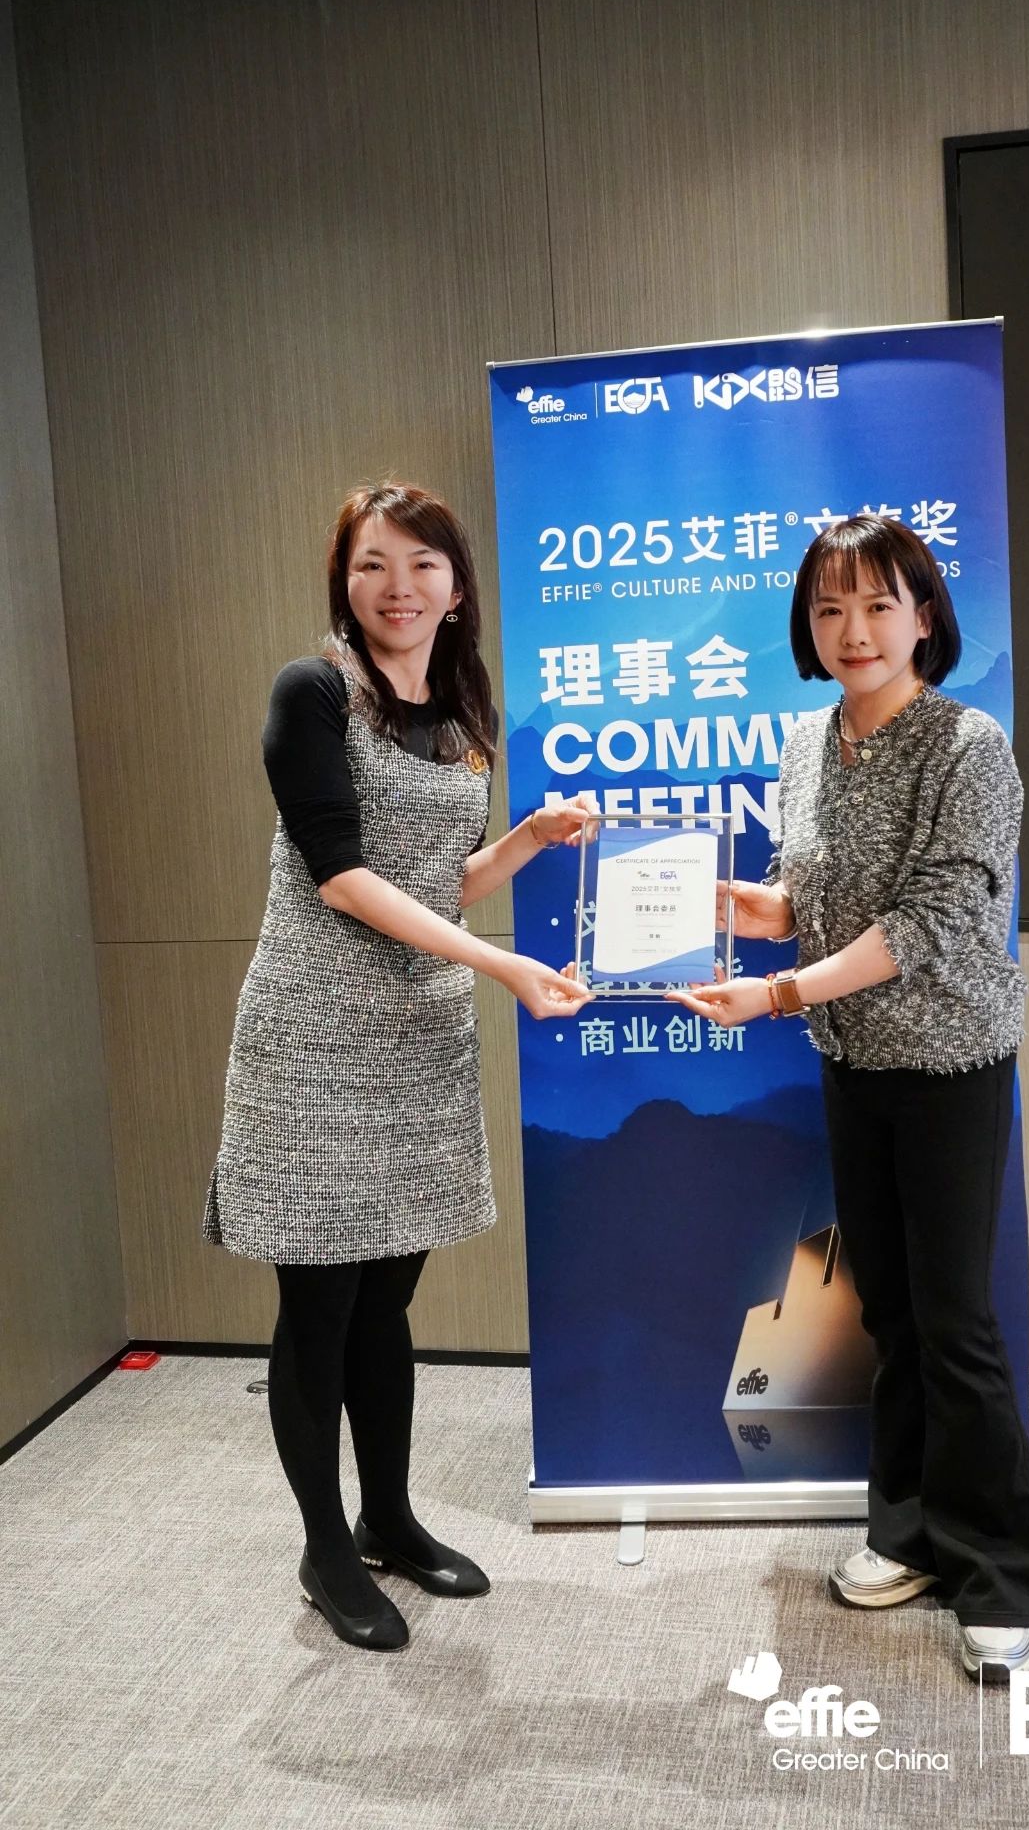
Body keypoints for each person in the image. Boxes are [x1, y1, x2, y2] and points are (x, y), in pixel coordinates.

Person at [204, 480, 591, 1652]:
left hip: (416, 1039)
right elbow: (342, 878)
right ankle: (325, 1548)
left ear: (456, 587)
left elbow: (431, 879)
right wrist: (501, 963)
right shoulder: (313, 691)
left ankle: (389, 1519)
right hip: (314, 1040)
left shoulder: (463, 708)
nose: (398, 587)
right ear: (345, 580)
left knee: (387, 1299)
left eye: (422, 565)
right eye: (372, 564)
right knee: (319, 1304)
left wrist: (520, 844)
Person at [672, 512, 1029, 1682]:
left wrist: (780, 991)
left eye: (878, 604)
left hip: (948, 1064)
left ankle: (994, 1573)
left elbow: (931, 918)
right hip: (851, 1061)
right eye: (828, 607)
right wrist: (748, 908)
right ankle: (907, 1531)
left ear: (923, 616)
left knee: (954, 1322)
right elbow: (810, 893)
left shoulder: (967, 745)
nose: (853, 630)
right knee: (888, 1313)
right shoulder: (805, 743)